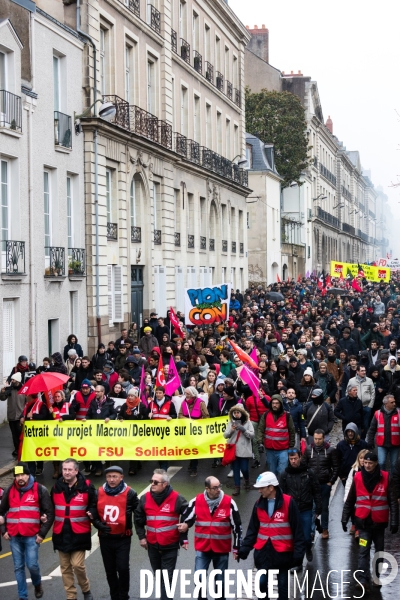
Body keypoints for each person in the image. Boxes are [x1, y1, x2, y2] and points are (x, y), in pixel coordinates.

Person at [237, 471, 305, 600]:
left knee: (283, 587)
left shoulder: (288, 503)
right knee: (261, 584)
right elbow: (253, 530)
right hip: (263, 554)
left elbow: (298, 531)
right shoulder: (258, 504)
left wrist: (298, 554)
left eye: (261, 488)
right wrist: (244, 549)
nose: (259, 491)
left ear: (271, 487)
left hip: (282, 555)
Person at [342, 451, 399, 592]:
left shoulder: (385, 477)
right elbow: (350, 500)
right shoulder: (358, 477)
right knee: (363, 551)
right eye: (365, 463)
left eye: (370, 463)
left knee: (379, 551)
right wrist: (344, 518)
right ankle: (363, 579)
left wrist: (394, 521)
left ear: (375, 464)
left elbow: (392, 501)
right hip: (363, 524)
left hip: (379, 524)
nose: (367, 465)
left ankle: (377, 576)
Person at [178, 476, 242, 600]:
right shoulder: (196, 501)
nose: (218, 489)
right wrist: (183, 539)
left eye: (219, 486)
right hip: (203, 549)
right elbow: (185, 521)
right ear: (207, 489)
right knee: (199, 579)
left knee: (220, 582)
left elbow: (237, 527)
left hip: (221, 550)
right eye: (215, 487)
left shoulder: (229, 503)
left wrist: (237, 547)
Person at [0, 462, 54, 600]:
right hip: (14, 536)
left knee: (32, 565)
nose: (20, 478)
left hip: (32, 536)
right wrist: (3, 530)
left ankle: (37, 584)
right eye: (17, 475)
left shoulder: (40, 489)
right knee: (18, 567)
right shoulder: (9, 491)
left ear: (28, 474)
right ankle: (22, 596)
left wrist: (42, 534)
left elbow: (49, 513)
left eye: (22, 474)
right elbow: (1, 512)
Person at [134, 469, 188, 600]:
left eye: (155, 482)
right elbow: (138, 519)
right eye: (151, 481)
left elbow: (189, 514)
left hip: (170, 546)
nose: (152, 484)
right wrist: (142, 537)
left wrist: (185, 526)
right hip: (152, 546)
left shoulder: (177, 498)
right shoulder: (145, 498)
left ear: (165, 484)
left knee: (167, 577)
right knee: (158, 577)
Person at [91, 466, 138, 600]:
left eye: (115, 477)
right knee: (110, 570)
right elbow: (92, 510)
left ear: (121, 477)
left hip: (123, 538)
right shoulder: (98, 492)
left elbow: (139, 511)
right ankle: (114, 595)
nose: (111, 479)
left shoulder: (130, 493)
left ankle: (124, 596)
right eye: (109, 476)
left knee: (122, 568)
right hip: (105, 537)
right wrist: (98, 524)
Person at [50, 459, 95, 600]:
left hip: (79, 534)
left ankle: (86, 589)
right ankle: (71, 596)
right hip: (61, 533)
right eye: (65, 469)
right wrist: (45, 517)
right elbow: (50, 509)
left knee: (77, 565)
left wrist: (92, 512)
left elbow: (94, 504)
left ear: (76, 471)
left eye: (70, 469)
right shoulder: (56, 488)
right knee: (65, 568)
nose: (67, 472)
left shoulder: (87, 487)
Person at [279, 448, 321, 563]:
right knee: (294, 538)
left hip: (306, 509)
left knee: (307, 537)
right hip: (291, 510)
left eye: (295, 458)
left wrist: (318, 507)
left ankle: (308, 548)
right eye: (291, 459)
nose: (293, 461)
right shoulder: (285, 474)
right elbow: (281, 493)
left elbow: (316, 490)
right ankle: (297, 562)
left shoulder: (309, 473)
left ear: (300, 457)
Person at [302, 429, 339, 539]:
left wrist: (331, 481)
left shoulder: (331, 450)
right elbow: (304, 465)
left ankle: (325, 529)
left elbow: (336, 467)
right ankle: (311, 531)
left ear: (324, 438)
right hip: (312, 484)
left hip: (324, 483)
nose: (317, 441)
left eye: (319, 439)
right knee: (312, 507)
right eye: (315, 439)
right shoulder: (308, 450)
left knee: (324, 508)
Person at [257, 394, 295, 477]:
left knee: (282, 472)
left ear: (280, 404)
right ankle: (275, 489)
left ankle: (281, 489)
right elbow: (260, 429)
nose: (274, 405)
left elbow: (292, 431)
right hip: (270, 449)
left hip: (283, 449)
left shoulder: (287, 416)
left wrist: (291, 446)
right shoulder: (266, 415)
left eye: (277, 403)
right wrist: (260, 442)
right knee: (272, 473)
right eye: (273, 403)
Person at [84, 385, 117, 476]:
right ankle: (98, 468)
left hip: (106, 430)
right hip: (95, 430)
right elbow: (89, 414)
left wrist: (109, 418)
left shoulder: (110, 402)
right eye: (95, 391)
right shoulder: (93, 402)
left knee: (107, 448)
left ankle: (108, 467)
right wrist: (86, 418)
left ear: (103, 392)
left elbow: (114, 414)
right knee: (96, 448)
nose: (96, 393)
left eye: (98, 392)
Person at [223, 404, 254, 496]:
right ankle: (237, 488)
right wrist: (231, 430)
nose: (236, 414)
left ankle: (247, 481)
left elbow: (252, 435)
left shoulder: (248, 422)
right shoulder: (231, 422)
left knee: (244, 469)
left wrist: (244, 430)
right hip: (234, 449)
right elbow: (225, 435)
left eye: (238, 412)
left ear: (242, 413)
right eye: (235, 412)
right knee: (236, 469)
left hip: (244, 450)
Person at [178, 387, 209, 477]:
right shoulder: (184, 403)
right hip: (187, 429)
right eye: (185, 393)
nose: (186, 395)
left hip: (197, 430)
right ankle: (192, 463)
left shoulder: (201, 403)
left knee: (195, 448)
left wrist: (198, 423)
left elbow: (206, 416)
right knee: (190, 447)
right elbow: (180, 415)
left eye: (188, 393)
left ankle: (194, 468)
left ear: (193, 394)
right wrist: (188, 420)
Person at [118, 388, 149, 475]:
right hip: (127, 432)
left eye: (132, 396)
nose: (130, 398)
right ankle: (137, 463)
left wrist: (142, 416)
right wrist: (120, 418)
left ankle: (132, 468)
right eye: (129, 396)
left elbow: (146, 418)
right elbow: (120, 414)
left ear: (136, 397)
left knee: (135, 448)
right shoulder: (125, 405)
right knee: (130, 448)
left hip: (137, 432)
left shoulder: (141, 406)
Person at [366, 394, 400, 473]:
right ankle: (383, 480)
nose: (394, 404)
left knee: (394, 465)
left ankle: (392, 482)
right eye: (392, 402)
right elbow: (372, 429)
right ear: (386, 404)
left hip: (395, 444)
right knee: (381, 463)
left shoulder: (398, 413)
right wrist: (370, 441)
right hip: (382, 444)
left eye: (394, 402)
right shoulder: (377, 414)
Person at [343, 448, 369, 538]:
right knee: (354, 513)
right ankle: (355, 526)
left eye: (364, 458)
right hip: (355, 497)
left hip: (365, 499)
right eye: (361, 458)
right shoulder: (354, 470)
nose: (362, 460)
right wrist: (347, 497)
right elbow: (349, 484)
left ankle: (359, 531)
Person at [0, 372, 26, 456]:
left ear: (17, 380)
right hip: (11, 415)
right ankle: (16, 449)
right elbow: (3, 398)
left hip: (20, 416)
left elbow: (27, 403)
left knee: (20, 434)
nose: (12, 381)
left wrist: (24, 415)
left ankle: (22, 449)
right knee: (14, 434)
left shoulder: (24, 389)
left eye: (13, 379)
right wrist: (2, 392)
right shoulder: (10, 389)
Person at [336, 423, 369, 487]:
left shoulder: (363, 444)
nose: (350, 433)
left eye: (352, 431)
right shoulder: (341, 445)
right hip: (345, 475)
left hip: (359, 474)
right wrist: (341, 475)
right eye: (348, 431)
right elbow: (337, 461)